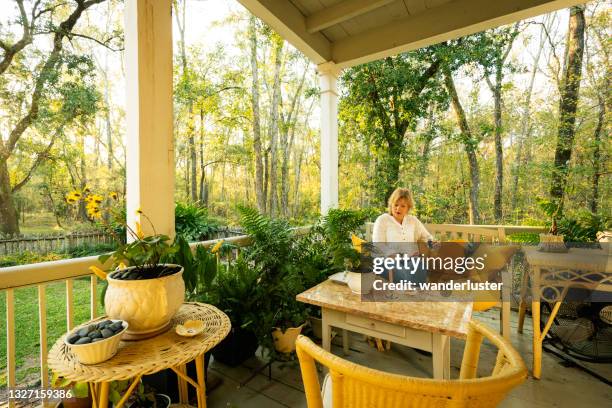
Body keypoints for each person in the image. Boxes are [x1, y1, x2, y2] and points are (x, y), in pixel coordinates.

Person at [372, 187, 435, 285]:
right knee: (403, 273)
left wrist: (432, 243)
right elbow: (378, 245)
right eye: (395, 205)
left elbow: (426, 236)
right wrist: (394, 255)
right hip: (387, 260)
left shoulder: (413, 221)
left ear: (408, 208)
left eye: (402, 206)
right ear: (391, 204)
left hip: (410, 260)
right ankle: (407, 284)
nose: (398, 208)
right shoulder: (383, 220)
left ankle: (412, 287)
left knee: (419, 267)